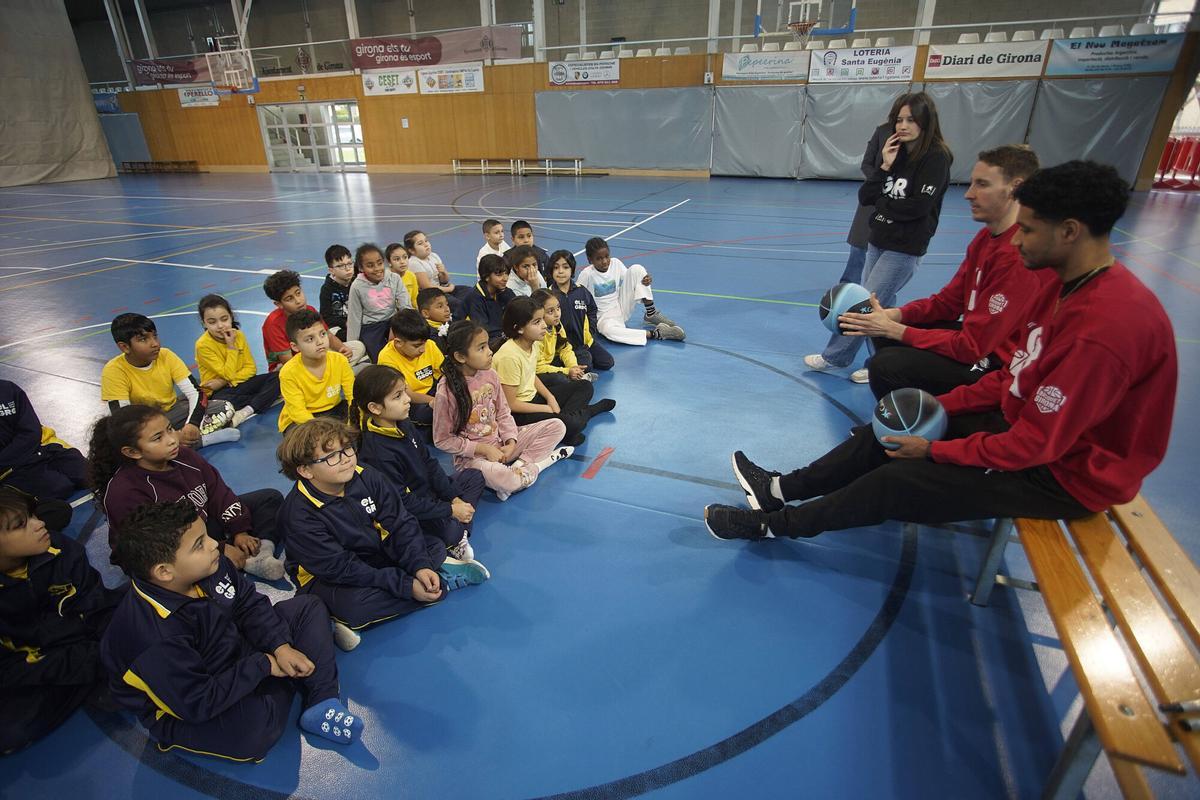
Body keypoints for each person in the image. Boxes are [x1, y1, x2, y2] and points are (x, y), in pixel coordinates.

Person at [704, 161, 1177, 541]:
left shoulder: (1103, 330)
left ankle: (774, 527)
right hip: (1029, 433)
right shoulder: (1063, 285)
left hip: (1064, 476)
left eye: (1029, 230)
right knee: (900, 421)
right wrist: (937, 409)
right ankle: (777, 489)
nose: (1018, 240)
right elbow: (1012, 379)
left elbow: (1035, 444)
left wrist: (935, 449)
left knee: (898, 479)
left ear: (1070, 231)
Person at [101, 501, 363, 761]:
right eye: (199, 544)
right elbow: (197, 702)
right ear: (164, 571)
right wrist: (263, 664)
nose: (214, 544)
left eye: (206, 535)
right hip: (193, 698)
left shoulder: (210, 564)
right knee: (254, 731)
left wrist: (280, 647)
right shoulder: (152, 638)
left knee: (308, 608)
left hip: (232, 649)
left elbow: (248, 604)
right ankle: (296, 675)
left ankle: (321, 700)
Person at [837, 145, 1047, 396]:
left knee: (886, 365)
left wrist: (896, 330)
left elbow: (972, 347)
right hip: (976, 343)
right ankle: (918, 407)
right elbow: (947, 303)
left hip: (996, 363)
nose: (969, 194)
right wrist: (893, 315)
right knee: (883, 333)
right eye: (972, 183)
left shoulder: (1018, 255)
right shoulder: (984, 239)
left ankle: (924, 415)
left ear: (1015, 187)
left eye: (982, 185)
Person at [276, 418, 490, 649]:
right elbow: (342, 568)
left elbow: (401, 522)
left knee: (433, 547)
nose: (346, 459)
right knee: (355, 606)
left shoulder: (366, 475)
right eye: (331, 456)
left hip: (373, 552)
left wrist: (419, 566)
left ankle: (426, 576)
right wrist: (405, 585)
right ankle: (438, 582)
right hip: (328, 576)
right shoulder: (298, 514)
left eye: (347, 448)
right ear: (305, 470)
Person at [806, 92, 953, 382]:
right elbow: (866, 196)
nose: (903, 125)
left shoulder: (936, 158)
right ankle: (882, 362)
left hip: (905, 246)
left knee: (866, 303)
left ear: (926, 122)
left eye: (911, 120)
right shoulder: (896, 153)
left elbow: (918, 207)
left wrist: (884, 205)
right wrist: (885, 166)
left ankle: (836, 356)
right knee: (880, 305)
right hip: (878, 239)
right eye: (899, 119)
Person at [89, 404, 285, 580]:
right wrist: (220, 548)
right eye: (158, 438)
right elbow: (158, 544)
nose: (172, 440)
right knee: (179, 567)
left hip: (201, 527)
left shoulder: (184, 456)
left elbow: (217, 491)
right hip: (166, 550)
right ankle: (234, 562)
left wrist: (239, 529)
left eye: (170, 429)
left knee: (269, 498)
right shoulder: (125, 492)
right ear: (133, 452)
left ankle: (261, 553)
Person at [0, 487, 122, 754]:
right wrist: (87, 661)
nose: (39, 524)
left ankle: (100, 675)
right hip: (40, 665)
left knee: (133, 608)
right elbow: (10, 668)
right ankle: (101, 676)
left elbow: (96, 602)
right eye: (21, 525)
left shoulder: (60, 548)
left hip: (81, 640)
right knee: (11, 732)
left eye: (33, 515)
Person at [352, 365, 484, 562]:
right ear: (375, 408)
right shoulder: (376, 453)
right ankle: (457, 535)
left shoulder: (403, 422)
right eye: (397, 396)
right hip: (412, 508)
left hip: (429, 494)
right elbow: (402, 503)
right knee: (450, 531)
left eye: (405, 392)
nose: (407, 399)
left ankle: (458, 534)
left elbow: (429, 463)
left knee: (474, 477)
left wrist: (453, 498)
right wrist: (449, 510)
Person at [433, 321, 572, 501]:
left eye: (487, 345)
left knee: (557, 426)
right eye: (481, 348)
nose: (490, 351)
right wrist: (483, 449)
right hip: (474, 459)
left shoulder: (490, 374)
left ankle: (519, 466)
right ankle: (541, 464)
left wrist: (511, 441)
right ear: (460, 356)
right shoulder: (446, 391)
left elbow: (503, 413)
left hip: (502, 446)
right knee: (506, 479)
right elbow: (442, 440)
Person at [100, 313, 240, 448]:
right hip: (144, 424)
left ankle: (171, 443)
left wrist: (192, 423)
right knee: (125, 442)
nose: (155, 343)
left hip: (172, 412)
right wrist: (171, 434)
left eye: (155, 336)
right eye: (143, 339)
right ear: (125, 347)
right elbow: (122, 419)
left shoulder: (166, 355)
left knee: (225, 408)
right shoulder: (114, 370)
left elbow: (196, 393)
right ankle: (196, 441)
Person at [492, 297, 613, 448]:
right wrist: (547, 409)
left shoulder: (533, 344)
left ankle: (566, 425)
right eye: (537, 322)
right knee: (574, 424)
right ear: (519, 328)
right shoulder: (509, 356)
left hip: (534, 398)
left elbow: (531, 375)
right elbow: (511, 404)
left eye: (542, 319)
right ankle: (588, 412)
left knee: (585, 386)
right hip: (519, 413)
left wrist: (550, 398)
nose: (544, 325)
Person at [841, 97, 907, 285]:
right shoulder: (882, 132)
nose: (904, 124)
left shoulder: (917, 140)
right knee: (858, 245)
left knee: (885, 251)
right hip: (873, 196)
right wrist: (880, 180)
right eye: (901, 118)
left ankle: (874, 288)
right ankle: (848, 285)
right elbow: (866, 164)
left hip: (896, 200)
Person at [576, 237, 685, 344]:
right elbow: (575, 296)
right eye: (599, 258)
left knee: (637, 269)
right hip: (602, 318)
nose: (604, 261)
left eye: (607, 256)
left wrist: (645, 279)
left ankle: (651, 313)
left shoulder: (615, 263)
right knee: (609, 332)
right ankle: (657, 333)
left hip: (621, 307)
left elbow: (632, 278)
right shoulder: (587, 274)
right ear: (590, 260)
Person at [195, 294, 280, 429]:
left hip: (237, 383)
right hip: (220, 392)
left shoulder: (238, 335)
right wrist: (231, 347)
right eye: (212, 322)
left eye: (224, 319)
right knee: (224, 402)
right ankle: (262, 399)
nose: (220, 326)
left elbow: (251, 368)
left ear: (231, 317)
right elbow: (227, 373)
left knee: (279, 377)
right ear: (204, 323)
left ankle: (245, 411)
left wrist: (223, 381)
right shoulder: (203, 345)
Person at [0, 379, 89, 502]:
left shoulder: (8, 388)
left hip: (42, 446)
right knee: (60, 488)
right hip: (9, 467)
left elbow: (31, 429)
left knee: (89, 473)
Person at [261, 269, 365, 372]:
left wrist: (342, 348)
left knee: (357, 347)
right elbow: (288, 361)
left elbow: (328, 335)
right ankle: (335, 371)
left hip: (315, 352)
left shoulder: (310, 310)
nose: (298, 301)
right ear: (279, 304)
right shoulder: (273, 324)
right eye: (289, 299)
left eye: (298, 293)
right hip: (290, 365)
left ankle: (332, 371)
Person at [277, 310, 355, 433]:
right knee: (307, 439)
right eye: (310, 339)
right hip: (301, 419)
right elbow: (298, 412)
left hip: (333, 409)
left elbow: (352, 395)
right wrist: (321, 431)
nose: (320, 342)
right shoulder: (288, 372)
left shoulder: (339, 360)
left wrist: (352, 424)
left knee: (362, 417)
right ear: (295, 347)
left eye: (322, 334)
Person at [548, 250, 614, 371]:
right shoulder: (549, 294)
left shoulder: (581, 291)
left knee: (608, 362)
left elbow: (592, 310)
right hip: (564, 346)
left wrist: (591, 330)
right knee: (586, 366)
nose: (560, 271)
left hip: (584, 342)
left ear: (572, 270)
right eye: (556, 268)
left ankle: (583, 357)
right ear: (551, 271)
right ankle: (565, 361)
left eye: (565, 267)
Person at [377, 309, 444, 429]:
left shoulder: (429, 345)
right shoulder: (386, 358)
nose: (423, 349)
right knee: (427, 414)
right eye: (417, 346)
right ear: (398, 343)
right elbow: (406, 394)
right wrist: (437, 401)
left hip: (432, 390)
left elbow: (445, 373)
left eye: (424, 343)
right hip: (407, 399)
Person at [346, 242, 410, 362]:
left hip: (393, 321)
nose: (377, 269)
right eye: (370, 265)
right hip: (371, 327)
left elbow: (405, 306)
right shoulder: (357, 286)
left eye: (380, 263)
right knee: (381, 358)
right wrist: (352, 345)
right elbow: (354, 318)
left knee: (406, 349)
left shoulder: (394, 278)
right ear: (361, 268)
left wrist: (396, 327)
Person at [530, 288, 597, 385]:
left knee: (585, 356)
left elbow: (565, 349)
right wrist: (567, 371)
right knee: (560, 379)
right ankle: (576, 379)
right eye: (550, 311)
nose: (557, 314)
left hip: (551, 361)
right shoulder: (535, 333)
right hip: (538, 370)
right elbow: (538, 368)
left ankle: (576, 376)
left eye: (558, 308)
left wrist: (573, 366)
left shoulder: (556, 325)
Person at [404, 230, 469, 317]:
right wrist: (449, 289)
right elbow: (427, 287)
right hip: (432, 296)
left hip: (442, 289)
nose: (426, 244)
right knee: (459, 304)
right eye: (420, 243)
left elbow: (444, 280)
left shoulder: (433, 256)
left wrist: (443, 272)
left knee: (470, 292)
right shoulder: (414, 263)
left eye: (426, 241)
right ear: (411, 250)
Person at [463, 254, 516, 341]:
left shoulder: (506, 292)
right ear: (486, 276)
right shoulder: (474, 298)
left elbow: (519, 314)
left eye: (506, 273)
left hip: (502, 337)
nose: (505, 278)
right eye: (499, 275)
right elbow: (483, 331)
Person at [318, 244, 354, 337]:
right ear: (331, 270)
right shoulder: (327, 289)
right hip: (338, 326)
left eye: (349, 263)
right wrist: (345, 323)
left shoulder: (357, 282)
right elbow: (326, 317)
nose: (348, 269)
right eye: (341, 266)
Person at [386, 242, 420, 309]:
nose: (402, 262)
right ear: (389, 262)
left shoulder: (411, 275)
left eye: (405, 257)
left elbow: (414, 299)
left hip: (409, 311)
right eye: (397, 259)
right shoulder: (386, 278)